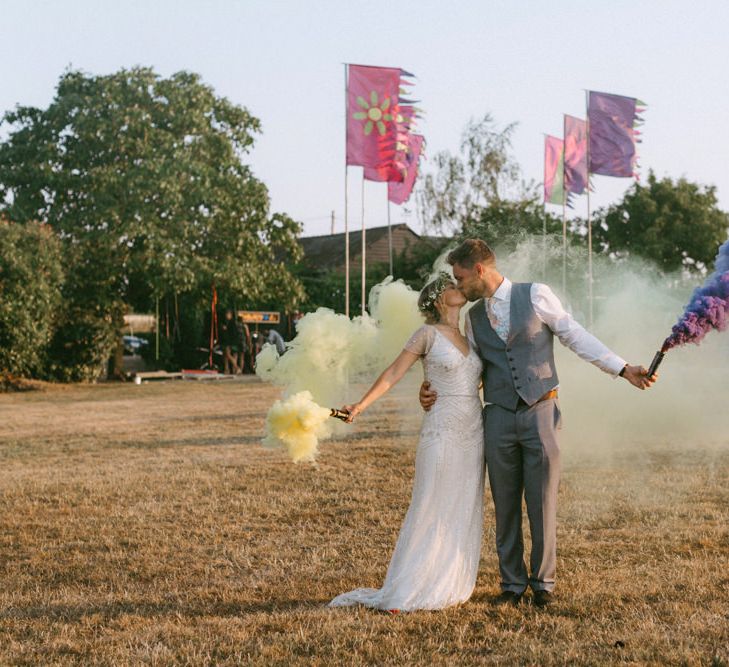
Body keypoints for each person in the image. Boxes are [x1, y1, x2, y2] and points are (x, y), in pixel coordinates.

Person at [420, 239, 656, 608]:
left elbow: (575, 335)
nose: (458, 284)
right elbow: (471, 368)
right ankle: (511, 585)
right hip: (496, 416)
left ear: (479, 270)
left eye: (461, 277)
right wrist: (432, 389)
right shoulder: (473, 317)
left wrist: (622, 368)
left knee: (542, 502)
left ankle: (543, 585)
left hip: (541, 411)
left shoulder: (535, 295)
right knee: (505, 504)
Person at [329, 273, 485, 613]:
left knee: (462, 505)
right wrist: (359, 405)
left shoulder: (472, 336)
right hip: (441, 429)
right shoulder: (426, 334)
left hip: (474, 433)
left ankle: (449, 580)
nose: (461, 288)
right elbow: (393, 372)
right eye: (453, 286)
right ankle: (410, 586)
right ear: (440, 298)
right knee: (431, 502)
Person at [220, 309, 241, 375]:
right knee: (226, 355)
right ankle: (227, 370)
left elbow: (232, 332)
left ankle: (236, 368)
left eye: (228, 314)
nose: (227, 315)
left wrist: (226, 329)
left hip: (230, 341)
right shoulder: (227, 322)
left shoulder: (232, 323)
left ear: (231, 315)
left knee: (228, 354)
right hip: (229, 341)